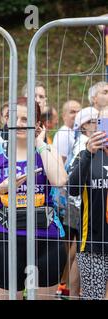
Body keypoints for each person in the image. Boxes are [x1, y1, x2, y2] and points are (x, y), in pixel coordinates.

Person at [0, 98, 68, 300]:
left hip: (46, 237)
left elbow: (59, 181)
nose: (21, 123)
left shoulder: (47, 151)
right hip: (3, 238)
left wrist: (40, 143)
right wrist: (2, 188)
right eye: (15, 118)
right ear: (6, 120)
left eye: (27, 118)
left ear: (38, 122)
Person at [68, 108, 108, 300]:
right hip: (93, 244)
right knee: (94, 297)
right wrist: (88, 154)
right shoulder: (86, 155)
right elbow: (72, 189)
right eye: (104, 121)